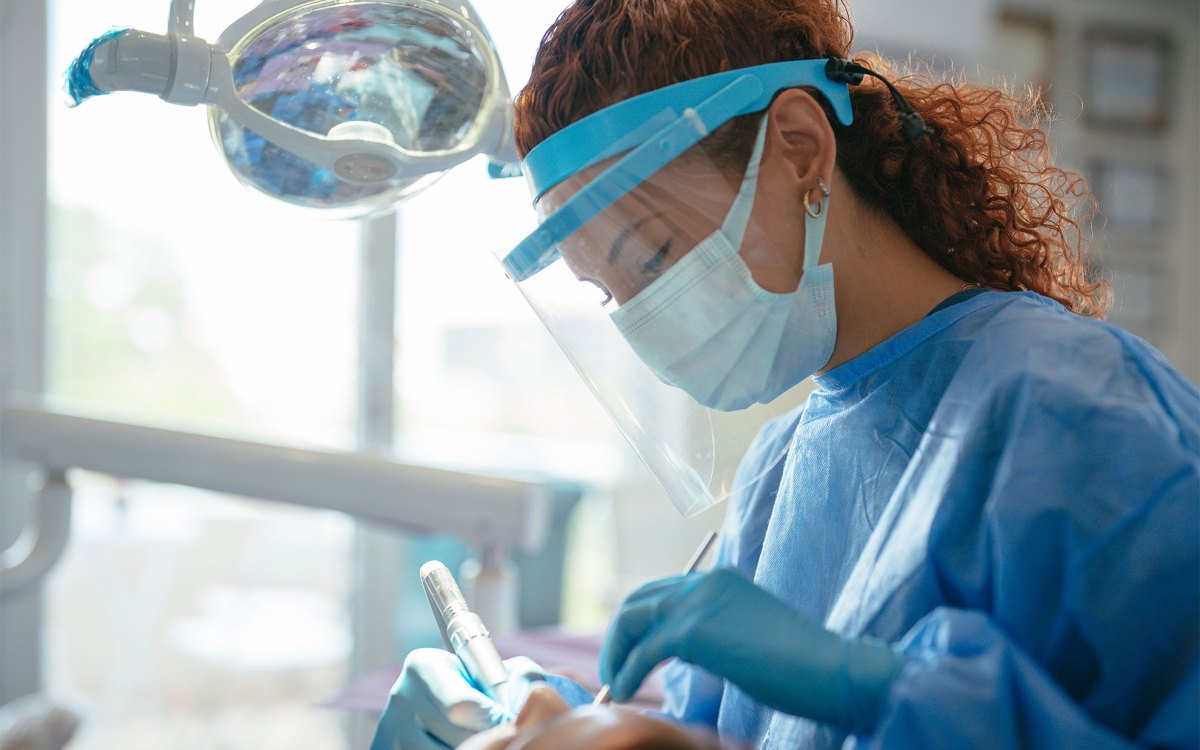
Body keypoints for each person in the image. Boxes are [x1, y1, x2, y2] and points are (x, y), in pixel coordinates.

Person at [373, 0, 1200, 747]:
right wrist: (554, 718)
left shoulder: (1079, 409)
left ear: (799, 148)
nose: (645, 320)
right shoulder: (778, 476)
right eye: (610, 293)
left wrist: (879, 690)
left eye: (654, 255)